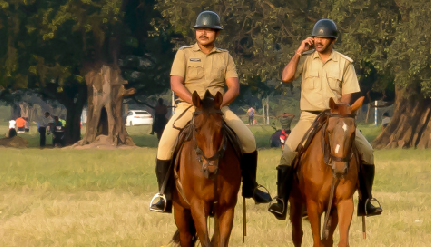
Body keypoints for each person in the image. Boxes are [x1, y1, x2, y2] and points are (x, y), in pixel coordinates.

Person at [150, 11, 270, 213]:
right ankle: (163, 194)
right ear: (195, 32)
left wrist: (220, 103)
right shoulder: (184, 53)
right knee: (165, 143)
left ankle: (251, 187)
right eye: (200, 30)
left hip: (217, 109)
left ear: (217, 33)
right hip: (189, 107)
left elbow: (233, 87)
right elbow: (175, 83)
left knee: (248, 139)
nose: (203, 33)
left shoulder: (225, 56)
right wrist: (194, 101)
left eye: (208, 30)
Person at [268, 18, 381, 220]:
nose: (319, 40)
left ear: (333, 40)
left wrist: (339, 117)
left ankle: (367, 200)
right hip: (308, 117)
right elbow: (286, 77)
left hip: (336, 118)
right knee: (288, 152)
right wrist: (298, 52)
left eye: (323, 37)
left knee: (367, 151)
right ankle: (281, 201)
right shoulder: (306, 59)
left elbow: (346, 99)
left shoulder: (344, 63)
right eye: (316, 36)